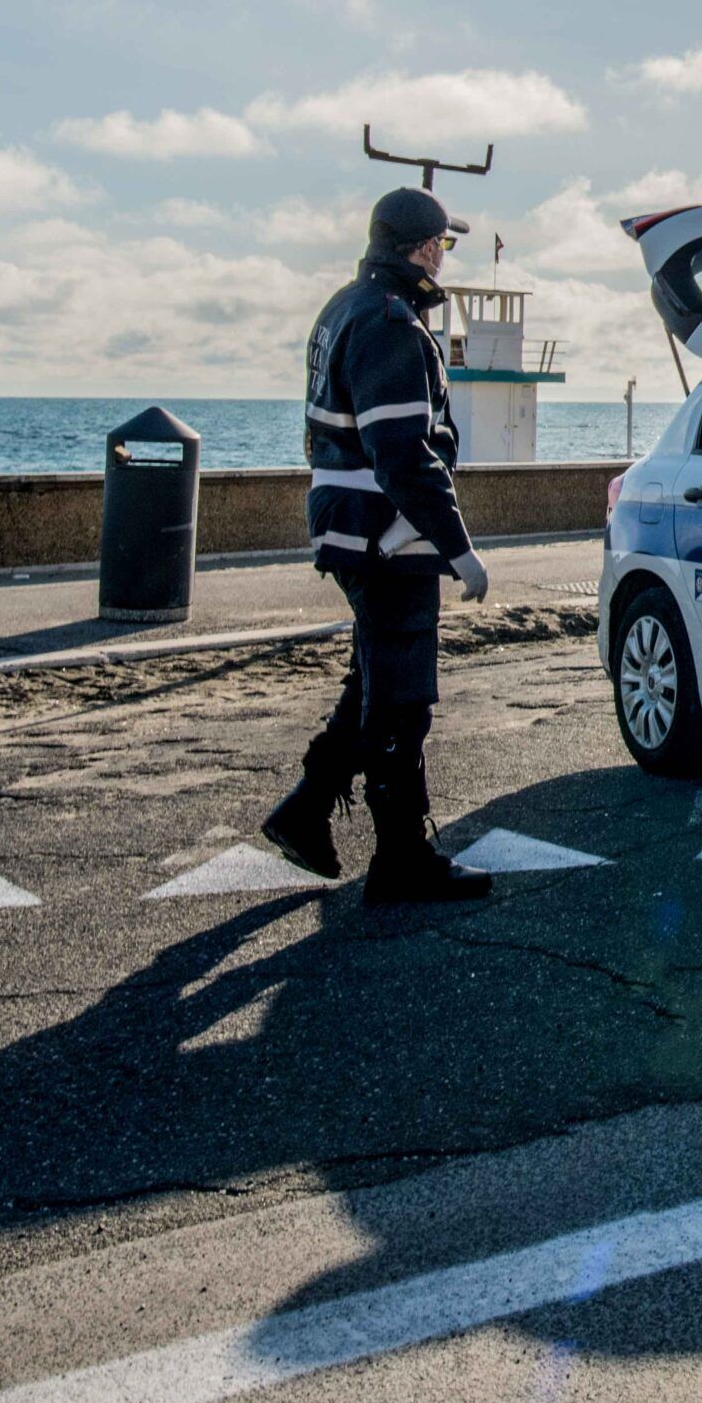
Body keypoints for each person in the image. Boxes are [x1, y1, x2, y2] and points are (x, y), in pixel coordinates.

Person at [262, 186, 495, 901]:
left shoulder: (344, 307)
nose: (443, 257)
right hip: (385, 537)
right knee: (402, 702)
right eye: (441, 245)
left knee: (374, 682)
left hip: (348, 525)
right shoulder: (392, 322)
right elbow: (403, 454)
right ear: (419, 248)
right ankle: (399, 859)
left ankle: (305, 812)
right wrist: (459, 549)